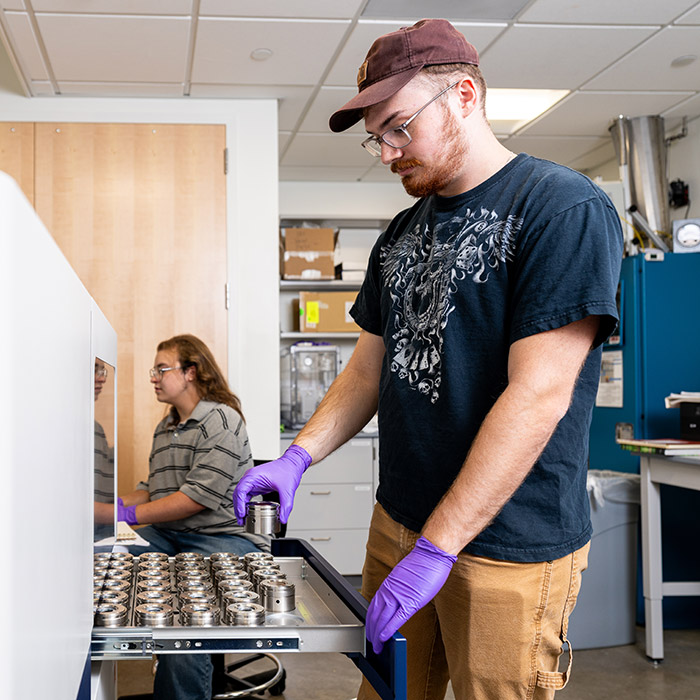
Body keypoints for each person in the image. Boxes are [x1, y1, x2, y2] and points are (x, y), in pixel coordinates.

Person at [234, 18, 623, 700]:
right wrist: (297, 457)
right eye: (375, 135)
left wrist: (439, 548)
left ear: (465, 96)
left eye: (398, 127)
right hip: (401, 521)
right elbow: (366, 371)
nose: (385, 152)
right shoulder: (402, 232)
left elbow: (538, 396)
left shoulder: (562, 208)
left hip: (508, 544)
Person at [118, 333, 265, 700]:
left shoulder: (221, 421)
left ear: (190, 372)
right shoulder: (166, 426)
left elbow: (193, 500)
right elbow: (157, 490)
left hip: (225, 539)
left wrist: (127, 513)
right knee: (107, 557)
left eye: (161, 369)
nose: (154, 377)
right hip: (171, 535)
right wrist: (108, 508)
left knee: (182, 626)